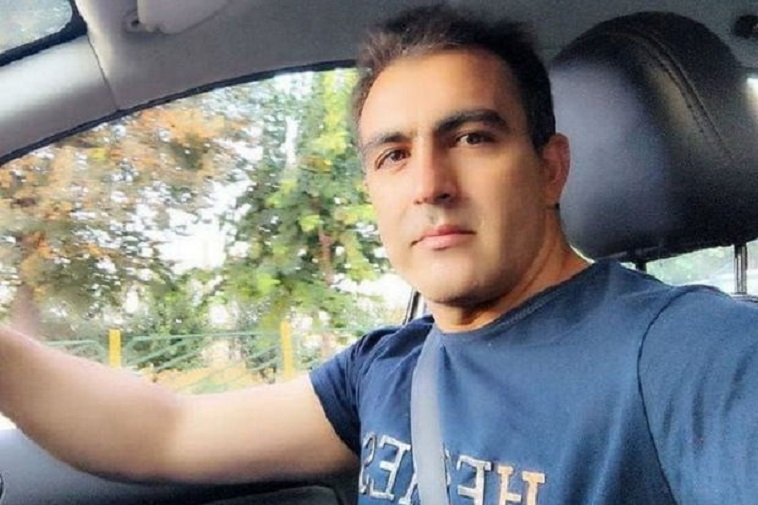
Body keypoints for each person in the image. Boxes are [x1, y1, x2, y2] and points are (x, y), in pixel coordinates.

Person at [1, 5, 757, 504]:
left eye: (472, 137)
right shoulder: (388, 368)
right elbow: (164, 433)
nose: (429, 184)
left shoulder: (699, 353)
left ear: (549, 168)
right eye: (394, 155)